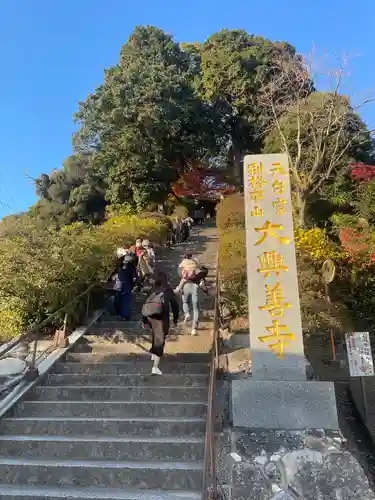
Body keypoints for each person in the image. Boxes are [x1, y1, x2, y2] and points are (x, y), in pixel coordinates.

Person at [142, 272, 179, 375]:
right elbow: (175, 305)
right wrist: (176, 319)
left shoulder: (152, 289)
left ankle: (153, 353)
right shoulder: (168, 290)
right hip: (162, 318)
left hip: (150, 317)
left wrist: (144, 320)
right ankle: (155, 367)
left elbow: (146, 305)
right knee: (160, 340)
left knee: (156, 334)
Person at [176, 252, 202, 336]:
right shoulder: (195, 263)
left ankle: (186, 313)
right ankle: (194, 329)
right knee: (196, 309)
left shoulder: (182, 263)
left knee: (185, 302)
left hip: (186, 285)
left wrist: (178, 288)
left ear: (184, 257)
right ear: (191, 256)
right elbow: (201, 272)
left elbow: (180, 273)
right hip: (195, 286)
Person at [113, 249, 137, 320]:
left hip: (122, 285)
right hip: (123, 285)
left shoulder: (120, 265)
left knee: (121, 300)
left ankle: (122, 314)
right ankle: (123, 314)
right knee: (122, 300)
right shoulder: (127, 265)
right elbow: (134, 276)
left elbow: (134, 276)